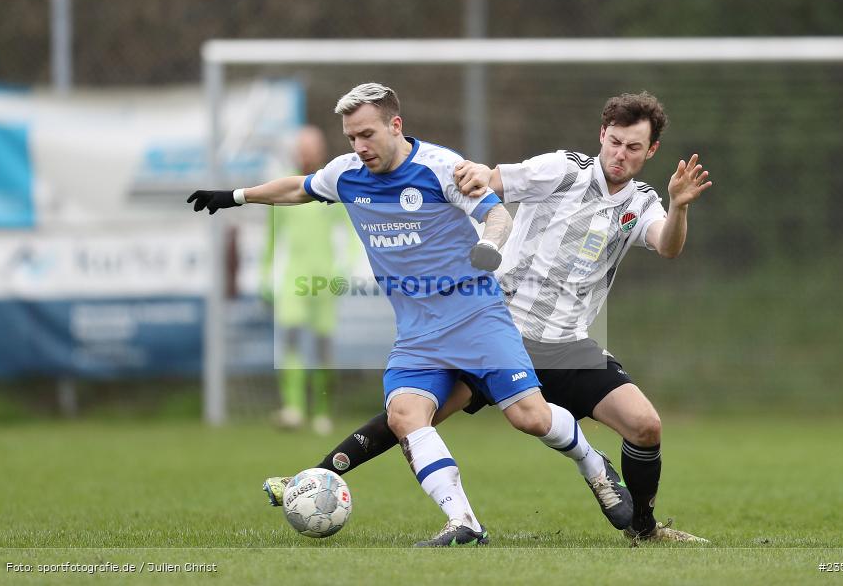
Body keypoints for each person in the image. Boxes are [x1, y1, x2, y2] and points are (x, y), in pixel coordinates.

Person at [188, 83, 630, 547]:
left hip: (476, 316)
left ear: (395, 125)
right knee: (404, 415)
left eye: (367, 134)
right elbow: (299, 188)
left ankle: (594, 465)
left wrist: (488, 245)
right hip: (418, 333)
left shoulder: (440, 168)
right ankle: (463, 522)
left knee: (530, 418)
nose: (359, 146)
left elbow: (498, 216)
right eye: (351, 137)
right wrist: (236, 196)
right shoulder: (346, 174)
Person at [264, 91, 713, 544]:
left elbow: (668, 245)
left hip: (567, 343)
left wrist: (679, 205)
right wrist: (472, 174)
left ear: (651, 150)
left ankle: (645, 530)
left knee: (645, 425)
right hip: (498, 326)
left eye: (633, 147)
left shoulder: (642, 202)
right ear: (602, 135)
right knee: (409, 416)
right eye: (614, 142)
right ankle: (310, 479)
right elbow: (490, 180)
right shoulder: (562, 169)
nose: (620, 154)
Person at [260, 126, 348, 434]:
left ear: (321, 151)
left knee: (323, 347)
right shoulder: (284, 188)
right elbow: (272, 236)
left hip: (323, 279)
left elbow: (350, 232)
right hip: (293, 278)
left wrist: (344, 268)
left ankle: (322, 412)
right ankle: (294, 409)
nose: (307, 154)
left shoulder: (331, 187)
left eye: (312, 148)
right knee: (291, 339)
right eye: (302, 148)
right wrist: (264, 274)